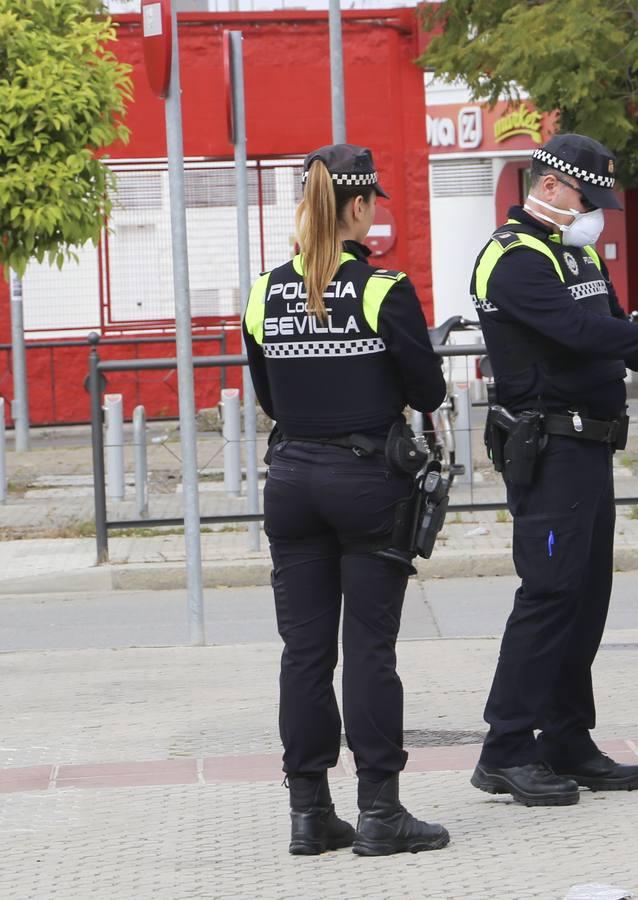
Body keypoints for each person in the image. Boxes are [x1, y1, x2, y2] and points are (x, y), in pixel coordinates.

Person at [468, 134, 638, 806]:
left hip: (589, 449)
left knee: (585, 600)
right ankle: (505, 748)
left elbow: (614, 329)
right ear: (553, 186)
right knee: (549, 594)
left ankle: (565, 738)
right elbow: (580, 335)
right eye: (590, 197)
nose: (597, 212)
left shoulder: (575, 252)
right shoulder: (513, 259)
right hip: (549, 448)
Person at [242, 144, 450, 856]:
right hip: (367, 485)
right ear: (359, 207)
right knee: (368, 650)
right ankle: (381, 814)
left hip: (292, 482)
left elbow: (270, 397)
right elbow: (429, 392)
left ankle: (308, 814)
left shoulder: (263, 292)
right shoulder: (384, 291)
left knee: (303, 653)